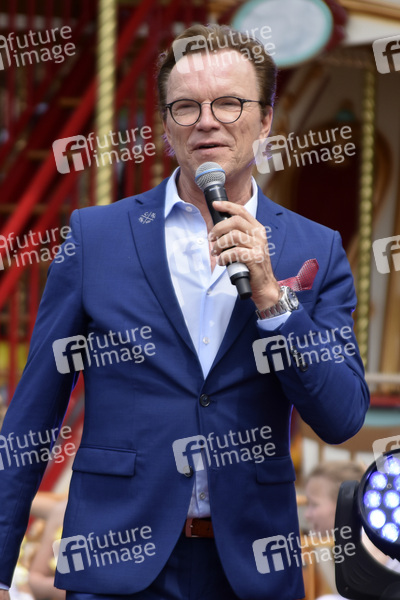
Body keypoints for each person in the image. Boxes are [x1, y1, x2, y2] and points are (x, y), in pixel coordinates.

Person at [0, 23, 369, 600]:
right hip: (115, 562)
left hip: (250, 567)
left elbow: (342, 416)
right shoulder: (97, 237)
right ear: (167, 125)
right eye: (186, 106)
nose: (207, 121)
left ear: (266, 120)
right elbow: (33, 413)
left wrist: (274, 299)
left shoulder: (314, 247)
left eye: (229, 103)